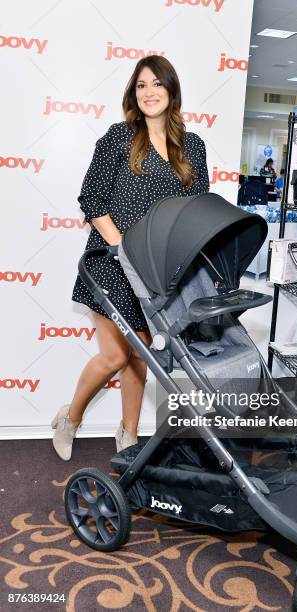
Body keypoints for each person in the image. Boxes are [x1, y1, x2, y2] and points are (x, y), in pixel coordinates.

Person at [51, 56, 209, 461]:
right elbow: (93, 199)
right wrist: (124, 249)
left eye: (157, 84)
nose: (149, 92)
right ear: (133, 93)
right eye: (141, 85)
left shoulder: (193, 146)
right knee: (115, 355)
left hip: (157, 269)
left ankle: (128, 434)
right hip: (110, 259)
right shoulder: (119, 137)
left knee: (142, 355)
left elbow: (197, 207)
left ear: (171, 91)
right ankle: (70, 418)